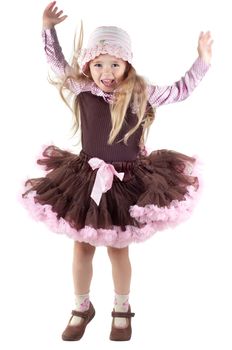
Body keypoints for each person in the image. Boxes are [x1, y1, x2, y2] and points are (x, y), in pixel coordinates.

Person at [21, 1, 213, 342]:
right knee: (81, 246)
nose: (106, 71)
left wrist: (202, 61)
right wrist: (47, 28)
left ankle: (122, 308)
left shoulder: (141, 93)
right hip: (85, 178)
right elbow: (56, 62)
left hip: (127, 181)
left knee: (118, 248)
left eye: (114, 63)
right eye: (98, 64)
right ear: (89, 66)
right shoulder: (82, 88)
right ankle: (81, 306)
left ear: (127, 65)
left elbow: (181, 90)